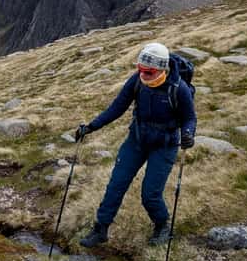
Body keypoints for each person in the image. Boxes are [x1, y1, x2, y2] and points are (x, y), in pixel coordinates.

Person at [76, 42, 196, 248]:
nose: (144, 75)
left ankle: (162, 225)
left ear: (162, 68)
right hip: (137, 141)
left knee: (150, 194)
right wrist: (91, 127)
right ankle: (101, 229)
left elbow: (189, 118)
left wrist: (187, 134)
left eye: (149, 72)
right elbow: (117, 107)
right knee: (116, 184)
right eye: (141, 70)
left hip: (164, 146)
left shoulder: (179, 89)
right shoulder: (137, 81)